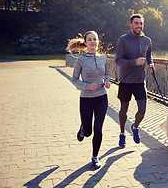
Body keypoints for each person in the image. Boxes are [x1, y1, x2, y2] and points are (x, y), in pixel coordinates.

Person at [66, 31, 110, 169]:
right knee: (88, 132)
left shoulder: (103, 58)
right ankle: (83, 129)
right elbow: (74, 79)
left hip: (101, 98)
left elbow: (107, 74)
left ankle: (95, 156)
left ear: (98, 42)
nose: (93, 41)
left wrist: (107, 82)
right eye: (90, 39)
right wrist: (87, 86)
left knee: (98, 128)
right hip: (86, 99)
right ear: (85, 43)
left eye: (95, 39)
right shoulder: (80, 60)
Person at [115, 14, 154, 148]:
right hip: (125, 81)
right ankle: (122, 134)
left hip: (139, 81)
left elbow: (148, 54)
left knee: (142, 110)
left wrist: (151, 63)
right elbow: (118, 61)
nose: (139, 26)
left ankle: (135, 127)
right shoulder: (123, 40)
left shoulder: (147, 40)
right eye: (136, 23)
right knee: (123, 110)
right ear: (131, 25)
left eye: (141, 23)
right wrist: (134, 62)